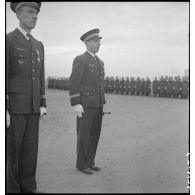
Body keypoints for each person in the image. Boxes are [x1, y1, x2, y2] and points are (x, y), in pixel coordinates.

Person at [6, 2, 46, 193]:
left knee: (30, 152)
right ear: (18, 15)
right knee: (11, 154)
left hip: (33, 107)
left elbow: (40, 76)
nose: (35, 16)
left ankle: (28, 188)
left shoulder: (38, 45)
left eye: (36, 12)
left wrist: (42, 102)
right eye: (30, 12)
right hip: (14, 107)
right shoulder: (7, 40)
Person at [69, 28, 106, 175]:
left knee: (94, 135)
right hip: (85, 105)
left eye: (99, 41)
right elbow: (74, 82)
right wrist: (76, 104)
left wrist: (101, 102)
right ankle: (82, 164)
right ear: (87, 42)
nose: (99, 44)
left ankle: (91, 162)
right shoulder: (80, 59)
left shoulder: (100, 62)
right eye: (96, 41)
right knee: (84, 135)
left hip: (98, 105)